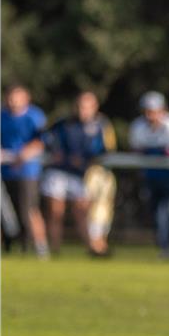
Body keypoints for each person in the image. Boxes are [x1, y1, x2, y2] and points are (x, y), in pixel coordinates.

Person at [41, 91, 116, 256]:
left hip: (81, 175)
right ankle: (54, 250)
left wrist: (86, 160)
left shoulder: (101, 126)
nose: (84, 110)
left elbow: (105, 150)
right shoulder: (63, 124)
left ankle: (93, 248)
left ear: (95, 107)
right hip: (59, 172)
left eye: (88, 106)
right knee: (55, 212)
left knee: (82, 212)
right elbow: (48, 139)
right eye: (81, 106)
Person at [129, 91, 169, 259]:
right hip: (150, 177)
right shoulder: (138, 126)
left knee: (168, 212)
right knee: (155, 212)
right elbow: (137, 151)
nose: (150, 115)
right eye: (147, 111)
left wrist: (153, 151)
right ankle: (164, 246)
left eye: (154, 111)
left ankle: (168, 246)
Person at [1, 84, 50, 258]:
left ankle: (41, 248)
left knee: (29, 210)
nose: (13, 101)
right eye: (11, 97)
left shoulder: (34, 116)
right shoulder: (1, 116)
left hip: (27, 171)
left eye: (18, 97)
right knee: (4, 214)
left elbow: (41, 141)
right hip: (4, 171)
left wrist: (22, 156)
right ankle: (8, 248)